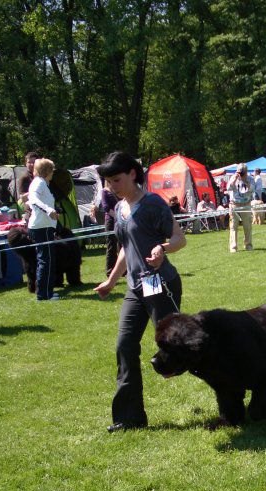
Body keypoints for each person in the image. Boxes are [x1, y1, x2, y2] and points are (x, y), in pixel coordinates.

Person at [94, 151, 186, 433]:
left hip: (160, 283)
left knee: (180, 349)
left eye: (116, 180)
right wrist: (111, 282)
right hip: (136, 288)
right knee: (125, 346)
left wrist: (163, 249)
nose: (112, 186)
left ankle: (232, 382)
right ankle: (129, 417)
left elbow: (179, 238)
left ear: (133, 174)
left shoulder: (152, 204)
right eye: (108, 182)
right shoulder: (120, 209)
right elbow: (126, 249)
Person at [27, 158, 61, 300]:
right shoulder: (39, 183)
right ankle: (43, 295)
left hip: (44, 226)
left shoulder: (43, 183)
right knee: (45, 261)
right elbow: (33, 199)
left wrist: (54, 209)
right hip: (42, 227)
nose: (53, 173)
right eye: (52, 170)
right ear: (47, 171)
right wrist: (48, 210)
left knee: (47, 260)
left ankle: (47, 291)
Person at [228, 163, 254, 251]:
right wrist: (235, 179)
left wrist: (246, 182)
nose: (242, 174)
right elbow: (228, 188)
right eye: (240, 172)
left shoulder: (250, 178)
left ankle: (248, 245)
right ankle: (233, 247)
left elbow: (252, 190)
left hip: (246, 204)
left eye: (244, 172)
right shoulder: (233, 177)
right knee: (233, 227)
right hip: (234, 205)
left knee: (247, 226)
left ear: (246, 171)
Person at [100, 183, 120, 276]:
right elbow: (106, 207)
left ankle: (123, 270)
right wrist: (117, 216)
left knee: (122, 245)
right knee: (111, 246)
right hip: (110, 221)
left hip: (121, 220)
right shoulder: (104, 191)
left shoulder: (118, 190)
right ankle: (110, 271)